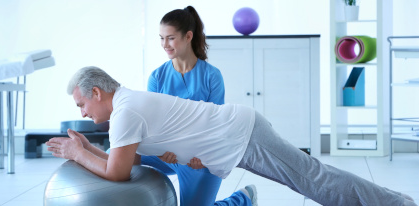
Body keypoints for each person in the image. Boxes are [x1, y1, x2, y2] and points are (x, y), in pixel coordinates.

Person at [46, 66, 417, 206]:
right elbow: (130, 161)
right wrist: (90, 148)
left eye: (81, 104)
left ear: (97, 92)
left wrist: (79, 154)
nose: (82, 114)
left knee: (313, 180)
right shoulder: (127, 106)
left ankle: (395, 204)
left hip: (243, 135)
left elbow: (117, 174)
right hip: (238, 136)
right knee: (311, 179)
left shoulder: (125, 112)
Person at [140, 5, 256, 206]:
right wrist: (159, 151)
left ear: (188, 36)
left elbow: (216, 128)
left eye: (170, 38)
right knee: (118, 155)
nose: (164, 44)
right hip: (165, 154)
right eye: (161, 38)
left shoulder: (212, 76)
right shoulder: (157, 77)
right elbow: (152, 125)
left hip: (200, 158)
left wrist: (203, 157)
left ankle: (241, 199)